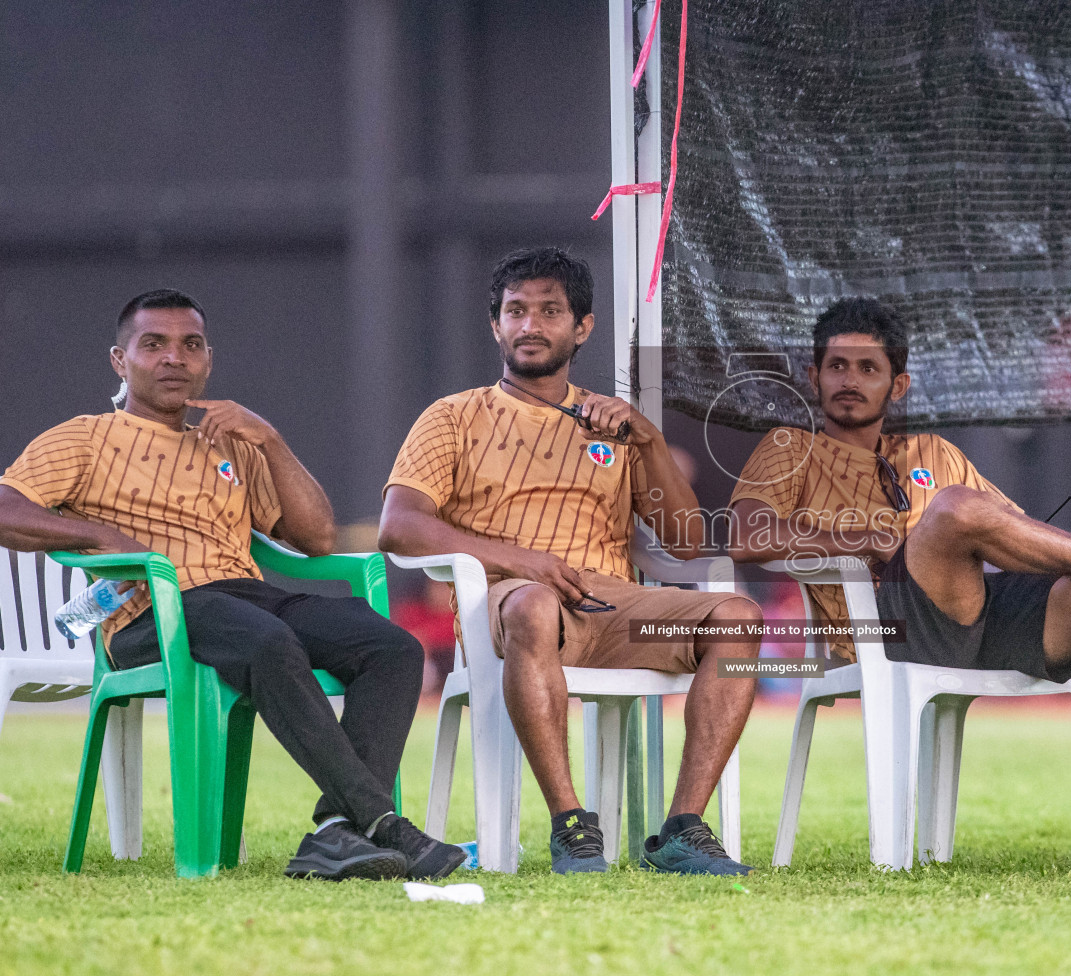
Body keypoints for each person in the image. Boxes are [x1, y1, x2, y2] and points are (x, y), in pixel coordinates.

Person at [0, 289, 461, 881]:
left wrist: (269, 439)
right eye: (154, 344)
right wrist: (97, 534)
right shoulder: (85, 437)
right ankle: (381, 822)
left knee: (392, 648)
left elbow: (317, 538)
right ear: (121, 361)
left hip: (246, 598)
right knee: (264, 639)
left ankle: (334, 831)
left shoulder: (229, 444)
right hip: (150, 616)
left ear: (208, 360)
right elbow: (7, 508)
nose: (174, 358)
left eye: (190, 345)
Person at [726, 297, 1071, 872]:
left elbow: (1013, 534)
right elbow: (745, 535)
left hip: (969, 615)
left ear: (899, 385)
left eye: (868, 369)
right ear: (813, 377)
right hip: (882, 628)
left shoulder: (933, 452)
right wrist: (860, 537)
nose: (850, 381)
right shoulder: (791, 449)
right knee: (956, 507)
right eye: (837, 366)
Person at [377, 247, 761, 875]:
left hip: (617, 610)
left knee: (739, 616)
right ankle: (572, 825)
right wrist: (522, 562)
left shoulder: (613, 425)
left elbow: (687, 541)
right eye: (516, 311)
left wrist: (649, 438)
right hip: (508, 607)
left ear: (581, 327)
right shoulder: (454, 416)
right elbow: (400, 526)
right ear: (495, 325)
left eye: (549, 311)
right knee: (532, 603)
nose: (531, 325)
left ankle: (684, 828)